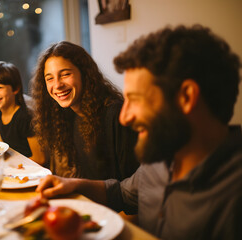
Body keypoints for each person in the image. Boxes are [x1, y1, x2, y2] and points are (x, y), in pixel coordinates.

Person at [36, 25, 242, 240]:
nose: (124, 116)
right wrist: (72, 184)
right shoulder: (161, 158)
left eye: (136, 99)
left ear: (186, 98)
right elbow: (123, 193)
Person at [31, 41, 138, 180]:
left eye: (65, 74)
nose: (57, 85)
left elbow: (132, 184)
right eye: (50, 78)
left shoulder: (115, 114)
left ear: (84, 74)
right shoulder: (67, 114)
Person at [0, 61, 44, 164]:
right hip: (12, 165)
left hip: (29, 169)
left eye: (0, 87)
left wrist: (11, 165)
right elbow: (2, 146)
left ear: (16, 89)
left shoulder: (26, 117)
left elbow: (40, 159)